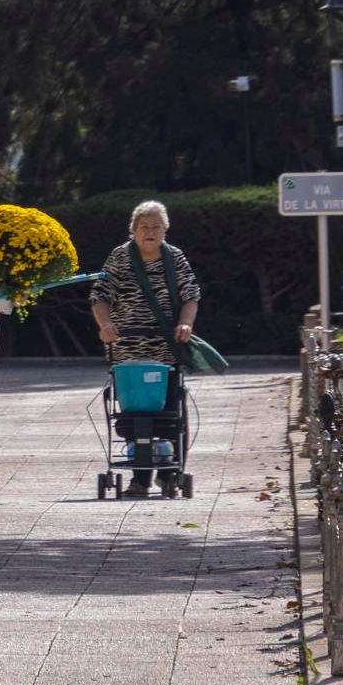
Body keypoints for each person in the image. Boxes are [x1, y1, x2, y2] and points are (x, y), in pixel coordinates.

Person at [90, 200, 201, 496]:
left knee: (168, 414)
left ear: (165, 230)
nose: (150, 232)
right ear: (133, 231)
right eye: (144, 227)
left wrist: (186, 324)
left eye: (156, 227)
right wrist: (105, 325)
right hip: (127, 350)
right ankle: (140, 478)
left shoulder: (174, 258)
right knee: (135, 417)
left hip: (165, 349)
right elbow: (99, 296)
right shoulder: (120, 257)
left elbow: (191, 295)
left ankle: (168, 473)